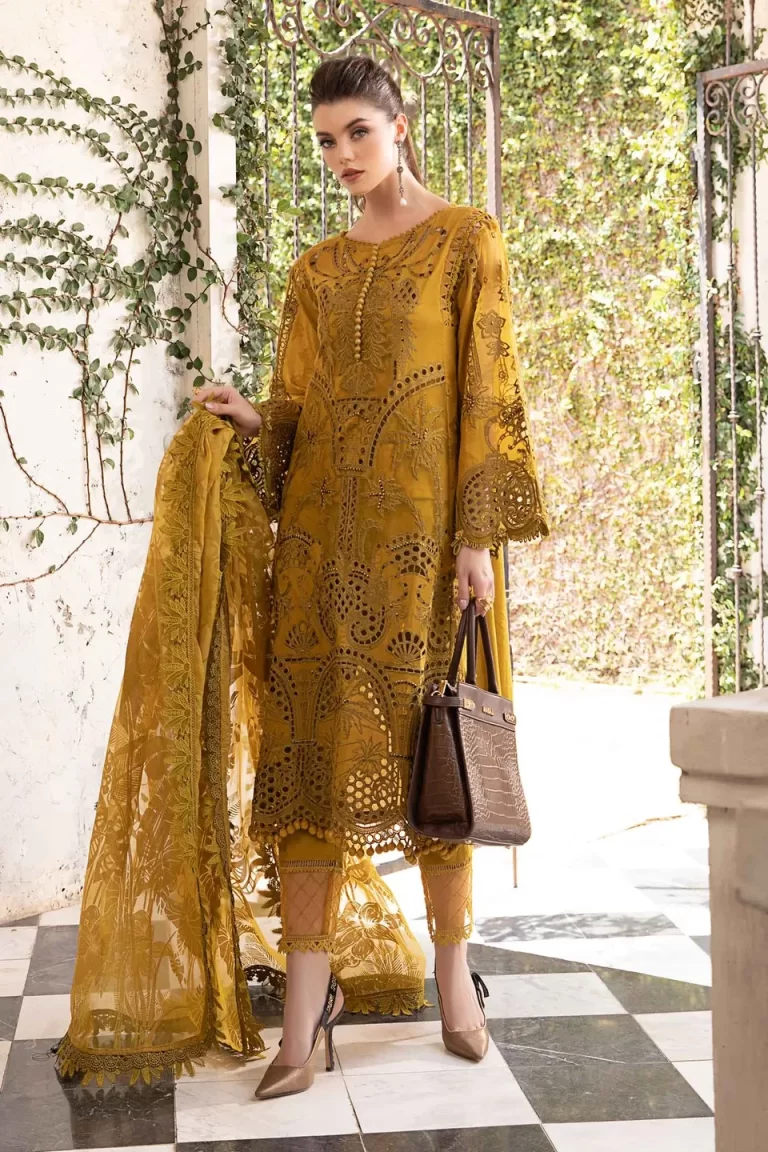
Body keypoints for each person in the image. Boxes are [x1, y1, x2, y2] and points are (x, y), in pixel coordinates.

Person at [195, 53, 549, 1100]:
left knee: (437, 762)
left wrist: (477, 539)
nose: (342, 154)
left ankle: (454, 985)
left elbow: (489, 392)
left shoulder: (466, 240)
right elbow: (298, 412)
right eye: (326, 140)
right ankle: (305, 1014)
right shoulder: (315, 271)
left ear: (398, 126)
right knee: (307, 768)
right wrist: (253, 421)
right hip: (317, 556)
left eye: (357, 131)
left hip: (425, 557)